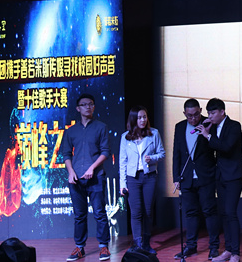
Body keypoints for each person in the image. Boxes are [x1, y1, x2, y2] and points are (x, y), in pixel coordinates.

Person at [60, 93, 111, 262]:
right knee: (79, 215)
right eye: (84, 104)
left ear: (94, 107)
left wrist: (92, 168)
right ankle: (79, 247)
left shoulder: (101, 127)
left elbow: (105, 152)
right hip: (76, 179)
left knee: (99, 213)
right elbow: (66, 154)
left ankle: (103, 246)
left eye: (91, 104)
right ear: (78, 108)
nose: (88, 107)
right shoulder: (71, 131)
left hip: (96, 177)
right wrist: (70, 171)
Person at [172, 98, 221, 260]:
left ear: (200, 111)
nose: (193, 118)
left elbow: (216, 147)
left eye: (196, 114)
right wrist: (176, 177)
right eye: (189, 116)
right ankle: (191, 246)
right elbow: (177, 153)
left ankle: (214, 247)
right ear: (184, 113)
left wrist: (207, 133)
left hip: (205, 176)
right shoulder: (179, 127)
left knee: (209, 212)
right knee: (191, 213)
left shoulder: (209, 124)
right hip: (186, 177)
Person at [199, 98, 242, 262]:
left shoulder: (234, 126)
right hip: (220, 175)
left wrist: (208, 136)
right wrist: (205, 132)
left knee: (231, 212)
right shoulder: (212, 128)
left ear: (222, 112)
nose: (210, 116)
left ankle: (236, 253)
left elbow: (226, 147)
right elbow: (208, 148)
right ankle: (228, 250)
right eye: (208, 113)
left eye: (213, 113)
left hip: (234, 175)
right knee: (224, 213)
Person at [119, 105, 165, 254]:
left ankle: (146, 243)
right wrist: (122, 184)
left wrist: (152, 158)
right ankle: (138, 244)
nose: (143, 120)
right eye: (139, 117)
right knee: (136, 212)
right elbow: (122, 162)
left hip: (149, 177)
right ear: (133, 119)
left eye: (144, 117)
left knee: (147, 211)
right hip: (132, 178)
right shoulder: (125, 137)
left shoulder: (154, 133)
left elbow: (162, 154)